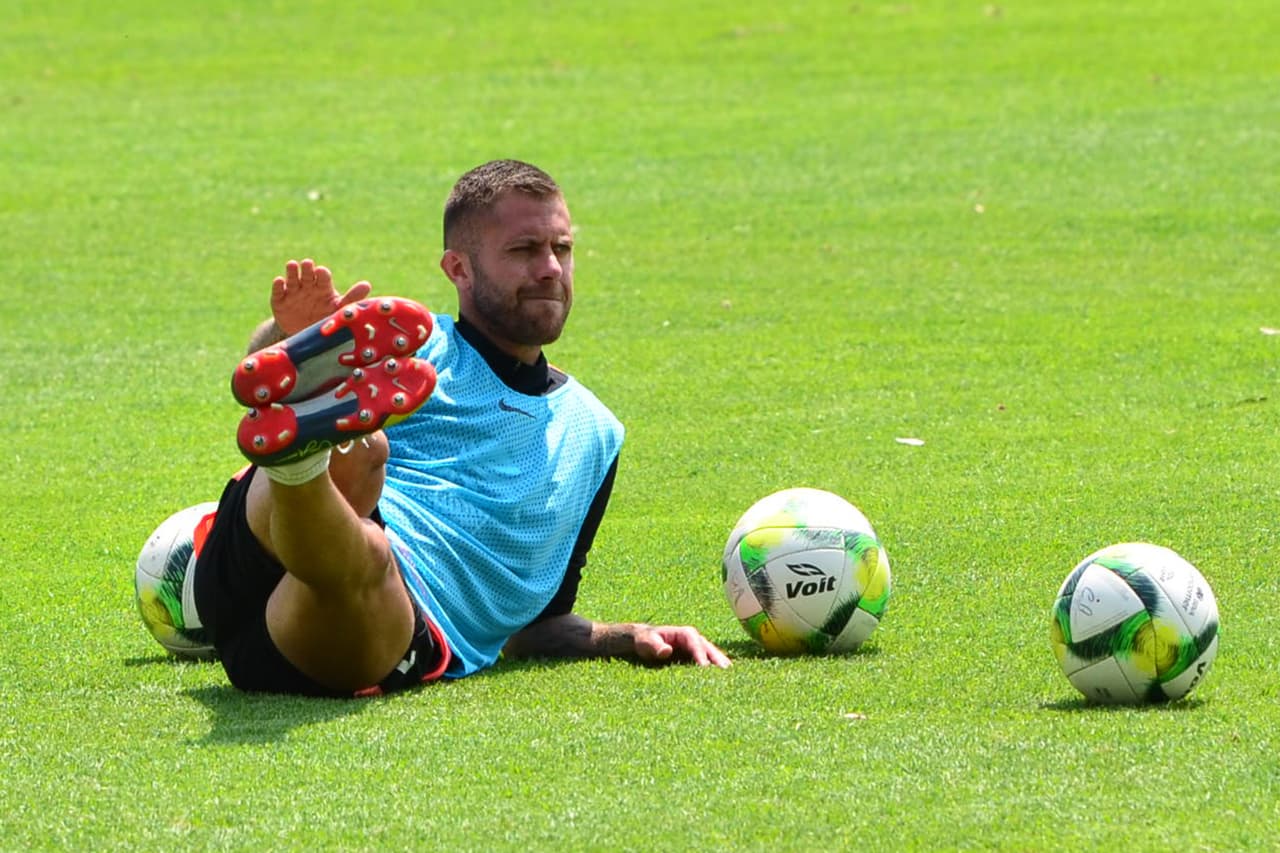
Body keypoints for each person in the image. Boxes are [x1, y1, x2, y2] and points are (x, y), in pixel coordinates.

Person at [193, 159, 731, 697]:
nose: (549, 268)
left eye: (561, 249)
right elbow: (257, 389)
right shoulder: (409, 347)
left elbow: (534, 627)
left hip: (353, 624)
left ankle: (300, 460)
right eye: (523, 251)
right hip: (259, 546)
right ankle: (305, 430)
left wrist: (629, 636)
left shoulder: (595, 433)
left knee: (368, 519)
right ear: (460, 269)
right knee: (364, 452)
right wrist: (285, 336)